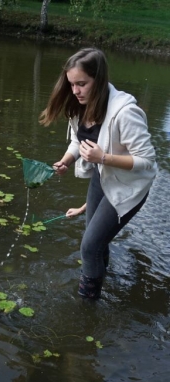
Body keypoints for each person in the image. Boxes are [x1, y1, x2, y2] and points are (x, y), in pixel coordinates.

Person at [40, 48, 157, 300]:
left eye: (81, 84)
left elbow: (148, 161)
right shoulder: (80, 106)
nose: (75, 91)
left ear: (99, 79)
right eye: (72, 84)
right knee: (95, 241)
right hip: (102, 178)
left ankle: (87, 303)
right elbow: (78, 142)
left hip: (128, 187)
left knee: (90, 245)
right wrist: (67, 161)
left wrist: (102, 157)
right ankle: (103, 281)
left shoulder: (125, 113)